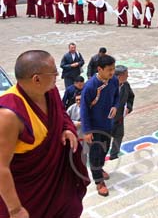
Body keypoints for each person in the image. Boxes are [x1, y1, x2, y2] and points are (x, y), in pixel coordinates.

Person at [0, 50, 89, 217]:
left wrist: (67, 128)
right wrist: (15, 209)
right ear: (37, 79)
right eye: (54, 72)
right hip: (28, 195)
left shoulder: (50, 90)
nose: (57, 75)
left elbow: (61, 113)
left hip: (57, 185)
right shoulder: (8, 115)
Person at [80, 54, 119, 196]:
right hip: (94, 127)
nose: (112, 72)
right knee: (95, 154)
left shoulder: (113, 80)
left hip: (107, 124)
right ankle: (98, 181)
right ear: (99, 69)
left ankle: (100, 168)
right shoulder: (90, 86)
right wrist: (87, 131)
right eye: (109, 69)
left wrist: (115, 106)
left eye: (113, 69)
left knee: (105, 149)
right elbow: (84, 109)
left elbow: (116, 96)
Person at [109, 65, 134, 160]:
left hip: (119, 118)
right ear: (119, 76)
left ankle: (114, 156)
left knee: (119, 135)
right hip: (107, 120)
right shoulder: (108, 87)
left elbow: (131, 97)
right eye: (126, 75)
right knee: (104, 141)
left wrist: (129, 107)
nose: (128, 76)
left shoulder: (126, 85)